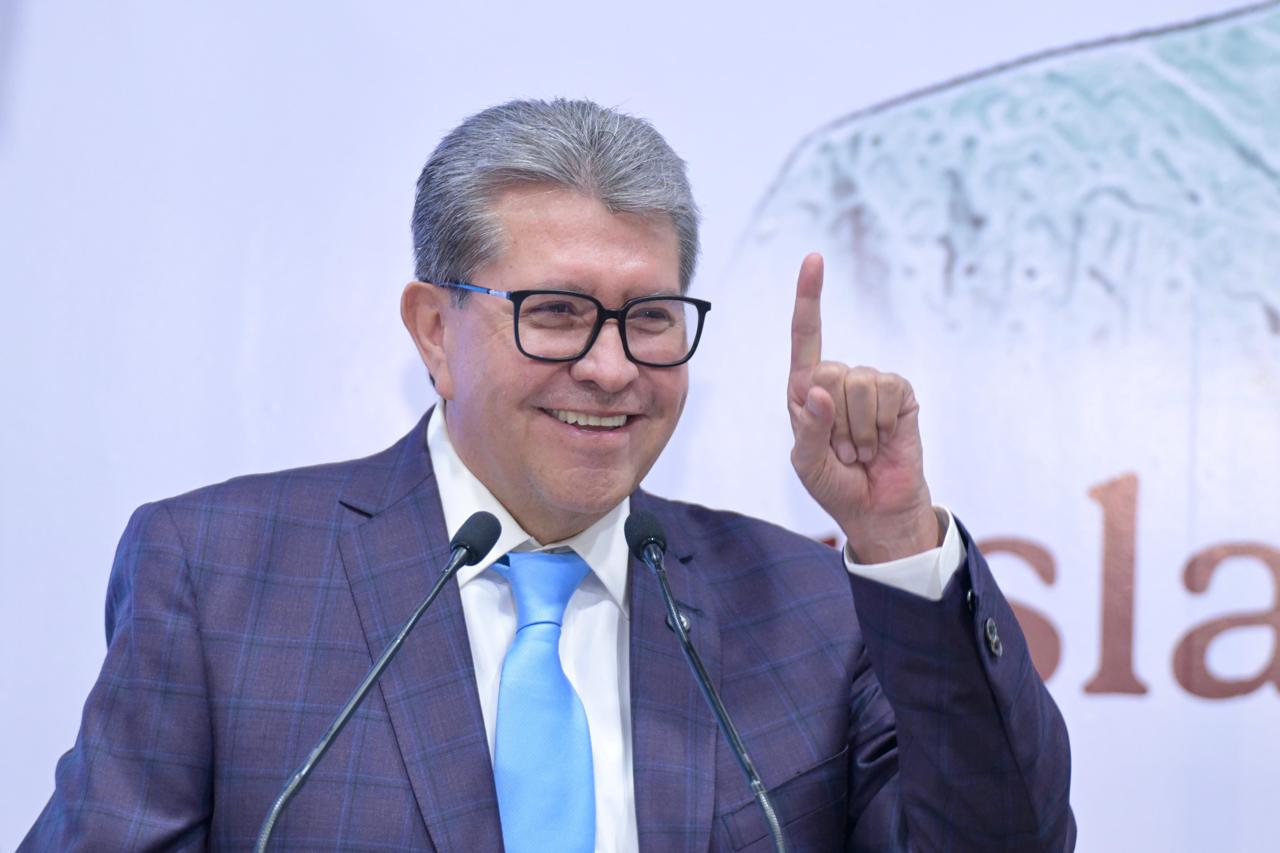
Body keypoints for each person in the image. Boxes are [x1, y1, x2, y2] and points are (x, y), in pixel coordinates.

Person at [24, 98, 1075, 851]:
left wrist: (895, 538)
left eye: (649, 317)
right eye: (557, 312)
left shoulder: (805, 606)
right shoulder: (219, 575)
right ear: (433, 330)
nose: (611, 368)